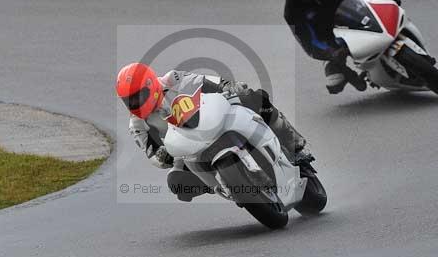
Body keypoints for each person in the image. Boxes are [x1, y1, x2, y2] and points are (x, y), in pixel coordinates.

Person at [115, 62, 314, 201]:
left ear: (151, 85)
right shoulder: (138, 125)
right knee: (176, 184)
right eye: (129, 101)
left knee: (256, 98)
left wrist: (232, 88)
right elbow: (152, 156)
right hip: (188, 151)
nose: (136, 104)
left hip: (211, 120)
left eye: (139, 96)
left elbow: (211, 82)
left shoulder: (173, 80)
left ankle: (295, 145)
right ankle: (225, 185)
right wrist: (162, 155)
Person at [281, 0, 401, 94]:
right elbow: (308, 42)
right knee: (335, 82)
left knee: (388, 7)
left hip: (354, 13)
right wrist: (330, 52)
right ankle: (347, 69)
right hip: (334, 39)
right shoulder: (292, 11)